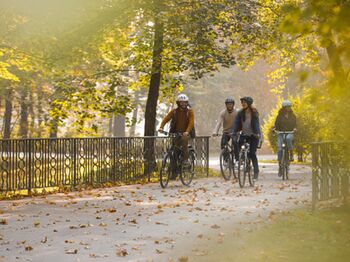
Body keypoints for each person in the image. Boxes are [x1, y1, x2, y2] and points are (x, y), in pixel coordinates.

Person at [158, 94, 194, 165]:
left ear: (187, 103)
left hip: (187, 133)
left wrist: (187, 132)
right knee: (175, 148)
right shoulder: (174, 111)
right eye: (181, 102)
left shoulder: (190, 112)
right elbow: (166, 119)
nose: (183, 104)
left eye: (185, 102)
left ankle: (185, 159)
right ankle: (174, 170)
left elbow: (191, 123)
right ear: (178, 103)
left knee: (184, 142)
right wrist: (161, 127)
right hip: (176, 133)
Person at [232, 96, 261, 181]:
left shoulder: (254, 112)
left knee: (252, 153)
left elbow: (256, 124)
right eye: (242, 103)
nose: (243, 104)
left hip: (253, 135)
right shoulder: (240, 113)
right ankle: (242, 159)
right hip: (244, 134)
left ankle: (256, 172)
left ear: (249, 103)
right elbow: (236, 123)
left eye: (244, 102)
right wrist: (234, 132)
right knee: (239, 144)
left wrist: (257, 134)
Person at [212, 97, 239, 162]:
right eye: (228, 104)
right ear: (226, 105)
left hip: (235, 132)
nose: (229, 105)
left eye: (231, 104)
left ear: (233, 104)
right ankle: (226, 160)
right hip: (226, 132)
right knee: (223, 144)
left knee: (235, 142)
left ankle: (237, 158)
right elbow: (219, 122)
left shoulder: (237, 112)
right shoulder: (223, 113)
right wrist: (215, 131)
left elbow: (240, 122)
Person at [274, 100, 297, 175]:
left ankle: (291, 153)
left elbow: (295, 124)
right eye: (287, 107)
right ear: (284, 108)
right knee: (280, 148)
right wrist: (274, 129)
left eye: (289, 107)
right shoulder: (279, 116)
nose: (289, 108)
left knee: (288, 139)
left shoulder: (293, 116)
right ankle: (280, 166)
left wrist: (295, 128)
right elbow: (276, 124)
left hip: (290, 132)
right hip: (281, 133)